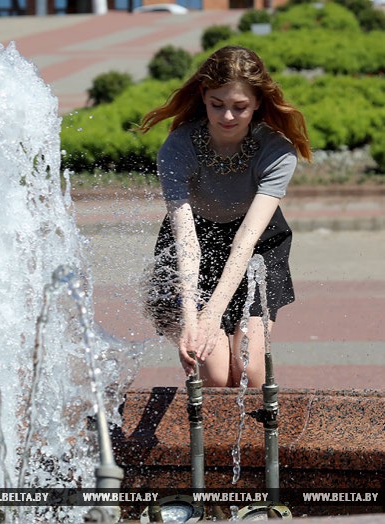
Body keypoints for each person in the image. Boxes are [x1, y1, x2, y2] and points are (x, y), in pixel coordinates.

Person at [139, 45, 312, 387]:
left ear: (259, 102)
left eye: (240, 107)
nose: (227, 117)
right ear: (203, 95)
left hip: (257, 245)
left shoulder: (276, 152)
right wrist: (191, 317)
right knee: (217, 376)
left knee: (250, 369)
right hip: (193, 242)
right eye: (218, 105)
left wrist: (214, 311)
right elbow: (187, 241)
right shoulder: (178, 148)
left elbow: (245, 242)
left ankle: (255, 440)